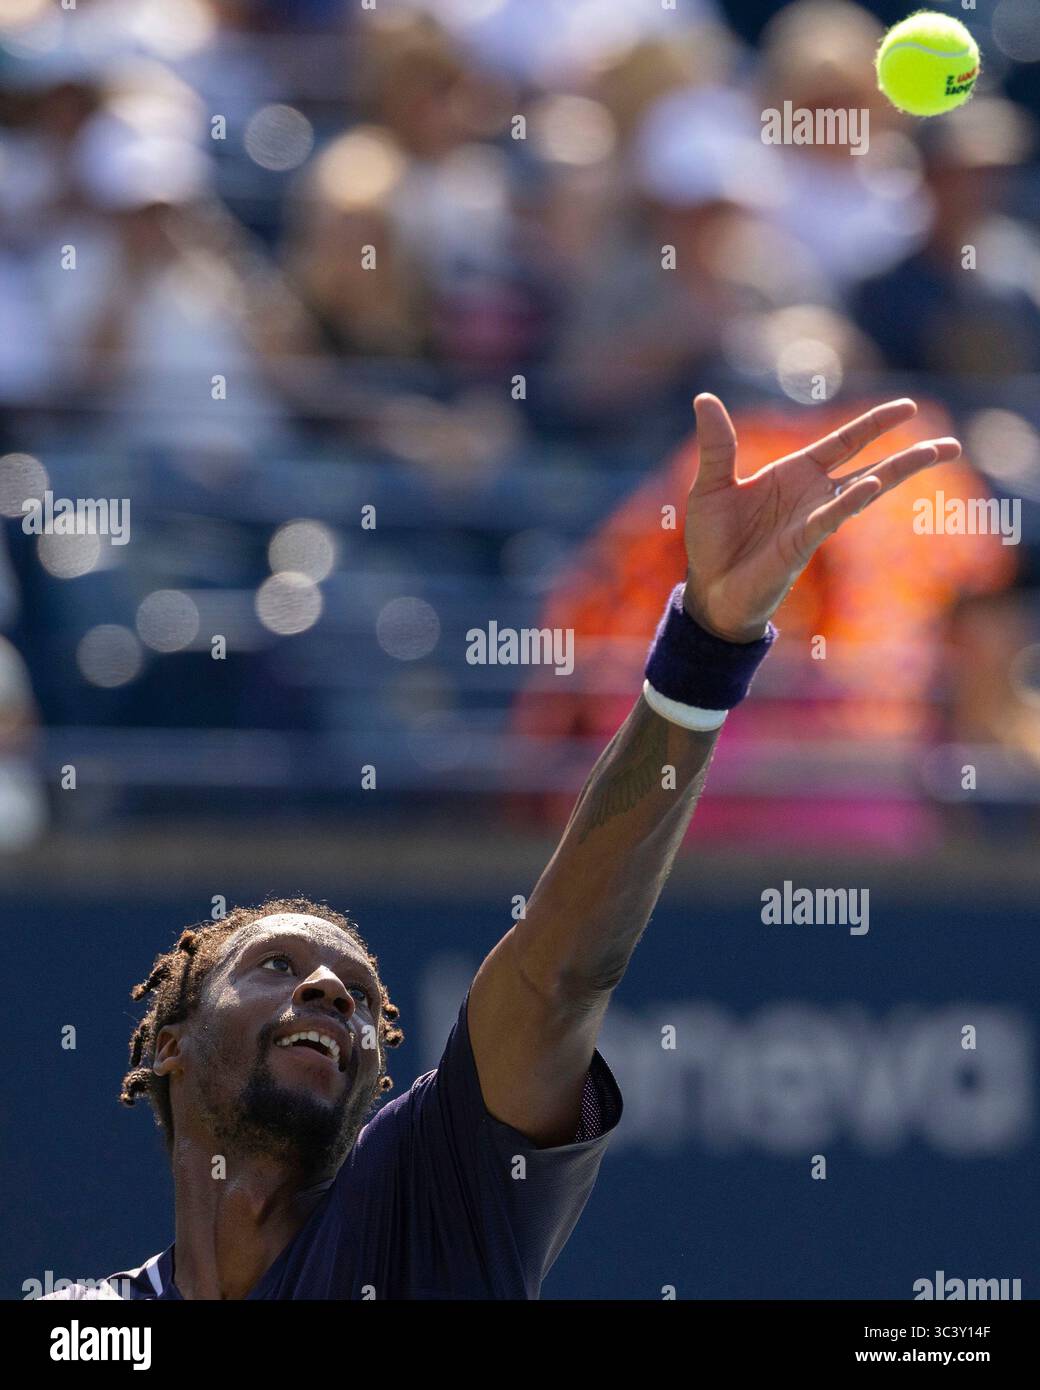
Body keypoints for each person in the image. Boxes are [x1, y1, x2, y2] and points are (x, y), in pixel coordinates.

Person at [41, 393, 958, 1300]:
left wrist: (708, 646)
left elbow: (560, 971)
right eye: (275, 965)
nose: (327, 990)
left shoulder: (427, 1201)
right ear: (167, 1044)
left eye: (358, 995)